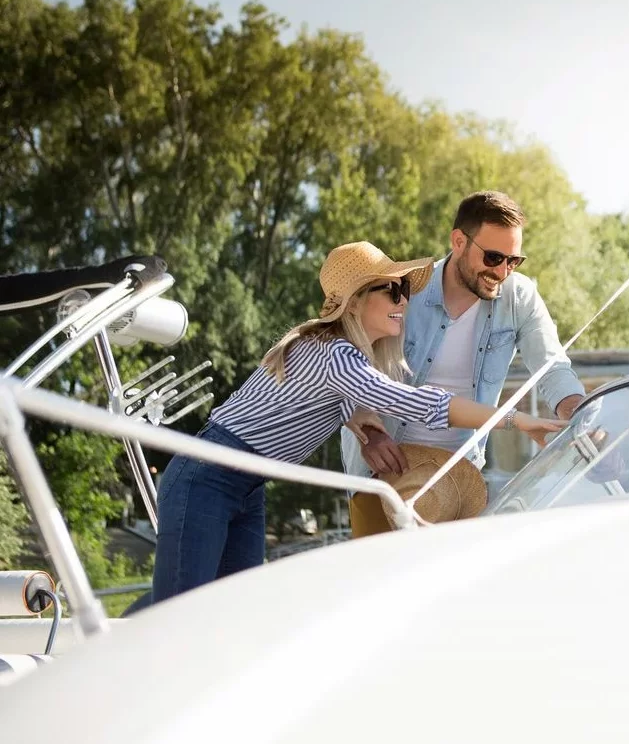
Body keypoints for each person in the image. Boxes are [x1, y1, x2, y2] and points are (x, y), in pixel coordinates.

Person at [149, 240, 564, 605]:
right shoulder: (338, 357)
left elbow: (335, 403)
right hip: (207, 476)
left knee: (226, 610)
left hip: (248, 485)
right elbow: (419, 403)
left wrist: (363, 429)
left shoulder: (338, 353)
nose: (405, 301)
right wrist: (518, 420)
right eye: (393, 290)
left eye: (406, 291)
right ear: (358, 299)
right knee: (178, 613)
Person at [341, 191, 586, 536]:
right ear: (458, 241)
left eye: (514, 261)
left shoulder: (520, 298)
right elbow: (349, 363)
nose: (502, 271)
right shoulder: (403, 290)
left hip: (459, 482)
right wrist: (366, 430)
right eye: (493, 257)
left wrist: (577, 416)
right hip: (381, 474)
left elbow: (553, 367)